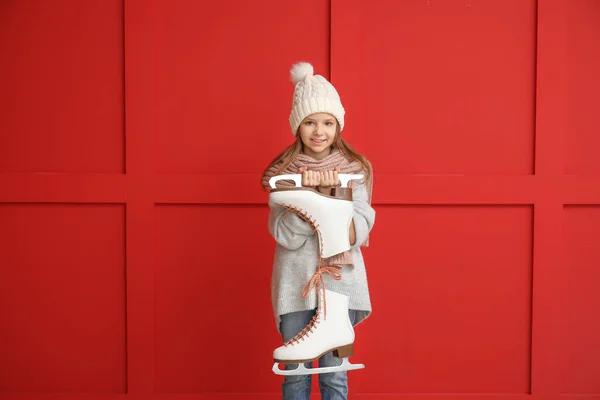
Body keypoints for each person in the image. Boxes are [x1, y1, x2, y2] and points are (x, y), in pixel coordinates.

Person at [261, 62, 375, 400]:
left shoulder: (355, 171)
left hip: (340, 285)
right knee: (295, 378)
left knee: (335, 378)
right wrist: (306, 198)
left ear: (338, 125)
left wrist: (332, 196)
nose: (318, 131)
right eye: (310, 122)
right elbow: (285, 235)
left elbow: (360, 231)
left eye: (327, 122)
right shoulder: (284, 175)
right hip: (296, 284)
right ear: (298, 126)